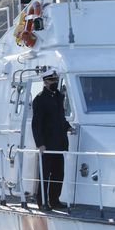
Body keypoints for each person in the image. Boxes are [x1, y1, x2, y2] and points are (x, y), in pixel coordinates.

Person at [31, 70, 71, 209]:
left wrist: (68, 127)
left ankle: (54, 200)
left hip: (60, 142)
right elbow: (36, 124)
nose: (55, 83)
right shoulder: (40, 99)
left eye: (56, 81)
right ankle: (42, 202)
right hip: (47, 144)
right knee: (45, 174)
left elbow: (60, 118)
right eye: (53, 81)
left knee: (58, 173)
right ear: (46, 81)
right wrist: (40, 144)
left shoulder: (58, 96)